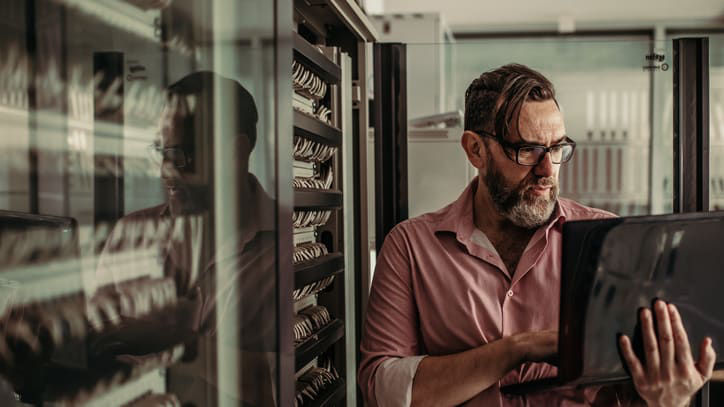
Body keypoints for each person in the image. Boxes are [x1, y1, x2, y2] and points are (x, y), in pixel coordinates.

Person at [358, 64, 717, 406]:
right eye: (527, 150)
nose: (548, 170)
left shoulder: (611, 242)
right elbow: (382, 389)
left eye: (558, 148)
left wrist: (669, 399)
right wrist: (516, 349)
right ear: (475, 150)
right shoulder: (410, 246)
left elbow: (639, 385)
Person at [94, 71, 277, 406]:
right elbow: (95, 360)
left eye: (179, 155)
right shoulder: (129, 235)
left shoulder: (286, 245)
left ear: (235, 151)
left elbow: (276, 386)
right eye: (159, 152)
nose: (165, 171)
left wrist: (177, 341)